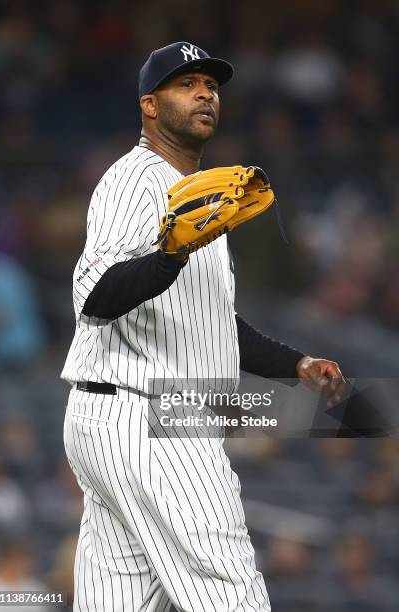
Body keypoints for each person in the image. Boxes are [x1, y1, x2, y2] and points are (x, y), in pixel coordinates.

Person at [62, 41, 344, 612]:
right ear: (149, 104)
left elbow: (212, 322)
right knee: (230, 593)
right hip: (153, 417)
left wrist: (293, 365)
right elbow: (92, 295)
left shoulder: (203, 198)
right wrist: (166, 257)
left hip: (123, 419)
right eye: (185, 83)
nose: (204, 93)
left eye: (211, 85)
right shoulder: (136, 180)